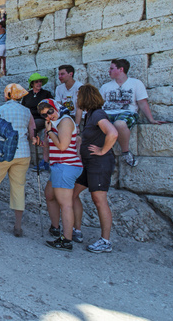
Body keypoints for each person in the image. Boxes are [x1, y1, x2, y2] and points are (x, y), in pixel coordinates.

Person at [72, 84, 119, 253]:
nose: (76, 100)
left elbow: (112, 133)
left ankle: (105, 241)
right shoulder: (90, 115)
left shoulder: (98, 114)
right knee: (72, 193)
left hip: (99, 164)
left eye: (78, 97)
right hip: (88, 164)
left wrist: (102, 150)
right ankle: (76, 230)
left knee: (99, 201)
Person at [38, 99, 83, 251]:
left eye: (50, 111)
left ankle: (67, 239)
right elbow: (51, 149)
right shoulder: (58, 123)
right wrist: (44, 139)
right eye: (44, 115)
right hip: (59, 166)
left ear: (55, 107)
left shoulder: (65, 121)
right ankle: (55, 227)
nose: (48, 116)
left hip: (65, 166)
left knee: (65, 204)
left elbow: (63, 146)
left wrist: (50, 132)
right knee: (49, 194)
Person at [100, 58, 162, 167]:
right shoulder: (106, 87)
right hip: (108, 112)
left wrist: (151, 119)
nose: (108, 71)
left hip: (127, 112)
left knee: (119, 124)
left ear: (121, 69)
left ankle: (125, 152)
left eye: (111, 68)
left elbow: (142, 103)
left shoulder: (135, 83)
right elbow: (98, 105)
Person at [0, 83, 36, 237]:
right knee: (18, 188)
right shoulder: (26, 111)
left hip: (4, 152)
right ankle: (18, 226)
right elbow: (32, 133)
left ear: (7, 95)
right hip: (23, 152)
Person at [22, 72, 53, 172]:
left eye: (40, 81)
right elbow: (23, 108)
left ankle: (41, 161)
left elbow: (51, 108)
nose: (39, 83)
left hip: (40, 118)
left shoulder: (46, 94)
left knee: (33, 126)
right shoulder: (27, 95)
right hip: (28, 118)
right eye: (36, 82)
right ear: (32, 84)